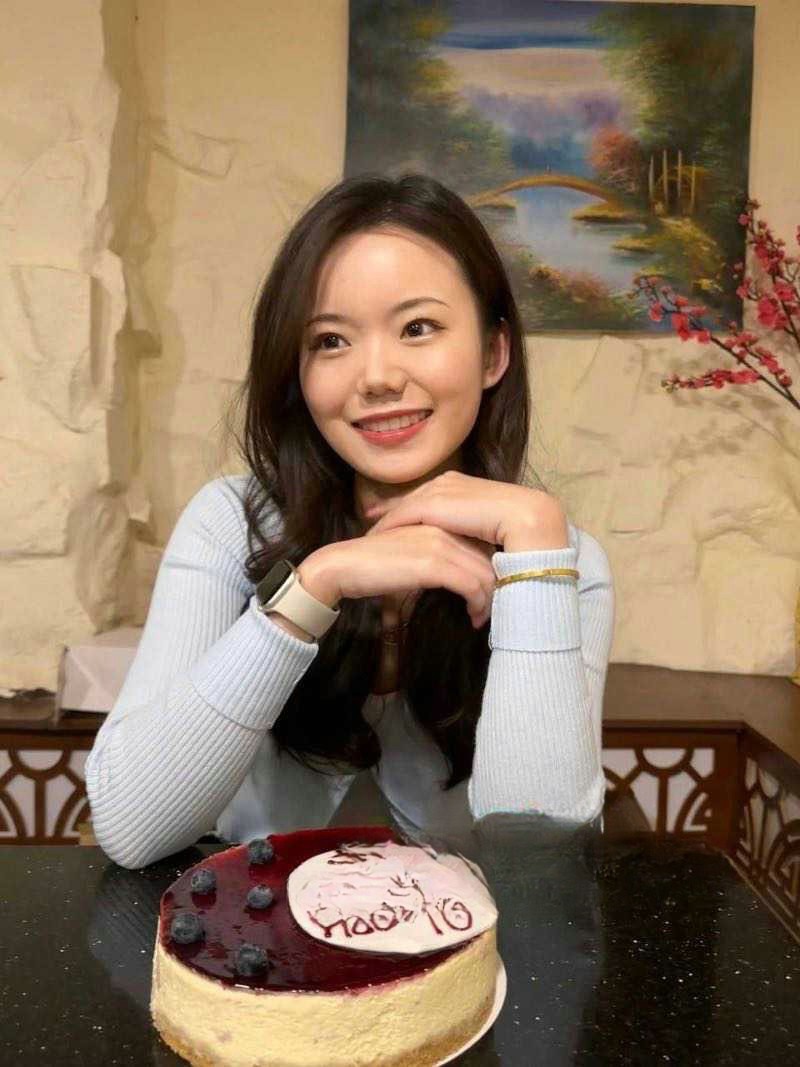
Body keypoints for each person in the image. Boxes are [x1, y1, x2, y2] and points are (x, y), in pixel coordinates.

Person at [85, 173, 615, 870]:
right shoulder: (231, 524)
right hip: (255, 930)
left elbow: (541, 862)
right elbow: (132, 828)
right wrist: (316, 585)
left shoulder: (560, 557)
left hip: (475, 938)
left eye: (418, 328)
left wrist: (537, 550)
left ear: (493, 353)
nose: (377, 377)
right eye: (331, 340)